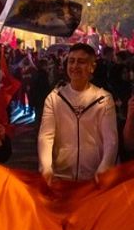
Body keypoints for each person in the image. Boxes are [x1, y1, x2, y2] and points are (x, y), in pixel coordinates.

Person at [37, 43, 118, 182]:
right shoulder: (55, 98)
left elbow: (110, 139)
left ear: (92, 67)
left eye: (81, 62)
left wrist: (105, 166)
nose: (75, 66)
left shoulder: (103, 99)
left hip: (93, 180)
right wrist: (46, 166)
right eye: (71, 61)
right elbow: (46, 136)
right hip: (61, 178)